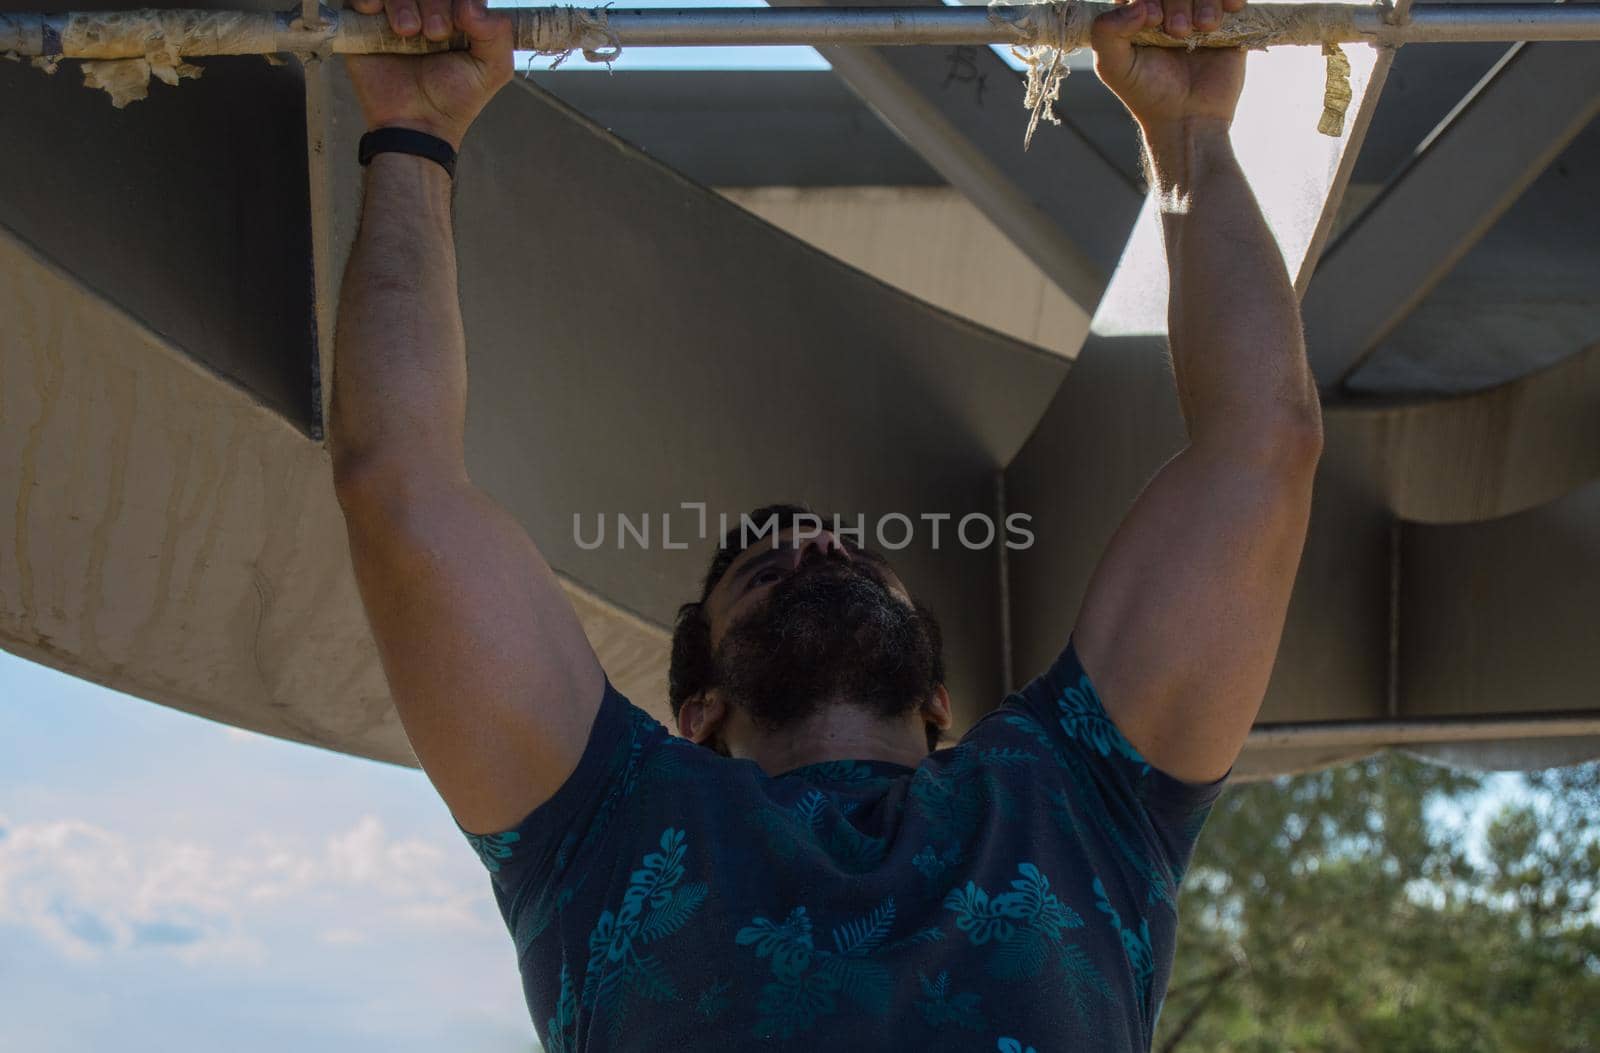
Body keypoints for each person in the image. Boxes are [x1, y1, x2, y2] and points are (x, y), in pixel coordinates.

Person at [329, 0, 1322, 1044]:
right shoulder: (600, 827)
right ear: (698, 707)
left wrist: (1192, 132)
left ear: (940, 695)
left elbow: (1268, 446)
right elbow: (398, 488)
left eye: (847, 554)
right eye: (761, 565)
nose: (810, 544)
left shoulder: (1078, 794)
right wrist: (411, 135)